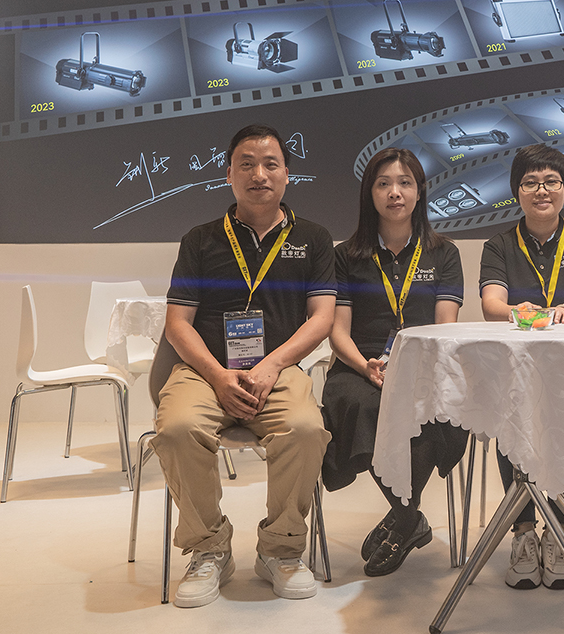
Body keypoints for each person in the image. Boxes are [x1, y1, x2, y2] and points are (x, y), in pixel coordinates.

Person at [155, 124, 335, 608]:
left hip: (278, 370)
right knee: (177, 428)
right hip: (205, 371)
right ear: (229, 175)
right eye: (247, 164)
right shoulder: (200, 240)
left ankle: (281, 550)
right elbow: (177, 324)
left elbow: (322, 319)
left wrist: (272, 366)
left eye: (270, 164)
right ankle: (209, 548)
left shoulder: (314, 238)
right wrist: (218, 376)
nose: (259, 174)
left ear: (287, 174)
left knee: (305, 428)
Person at [320, 147, 468, 576]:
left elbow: (445, 327)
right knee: (365, 407)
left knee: (436, 411)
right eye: (383, 184)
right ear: (370, 193)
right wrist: (365, 365)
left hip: (427, 366)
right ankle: (408, 519)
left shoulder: (443, 253)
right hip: (360, 366)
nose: (395, 193)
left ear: (419, 192)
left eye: (405, 183)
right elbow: (338, 331)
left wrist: (415, 369)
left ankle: (402, 519)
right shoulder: (347, 255)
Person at [479, 144, 564, 590]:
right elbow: (491, 305)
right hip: (514, 365)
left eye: (551, 181)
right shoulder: (498, 244)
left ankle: (559, 531)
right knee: (509, 419)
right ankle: (523, 531)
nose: (541, 190)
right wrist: (517, 311)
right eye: (530, 182)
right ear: (517, 191)